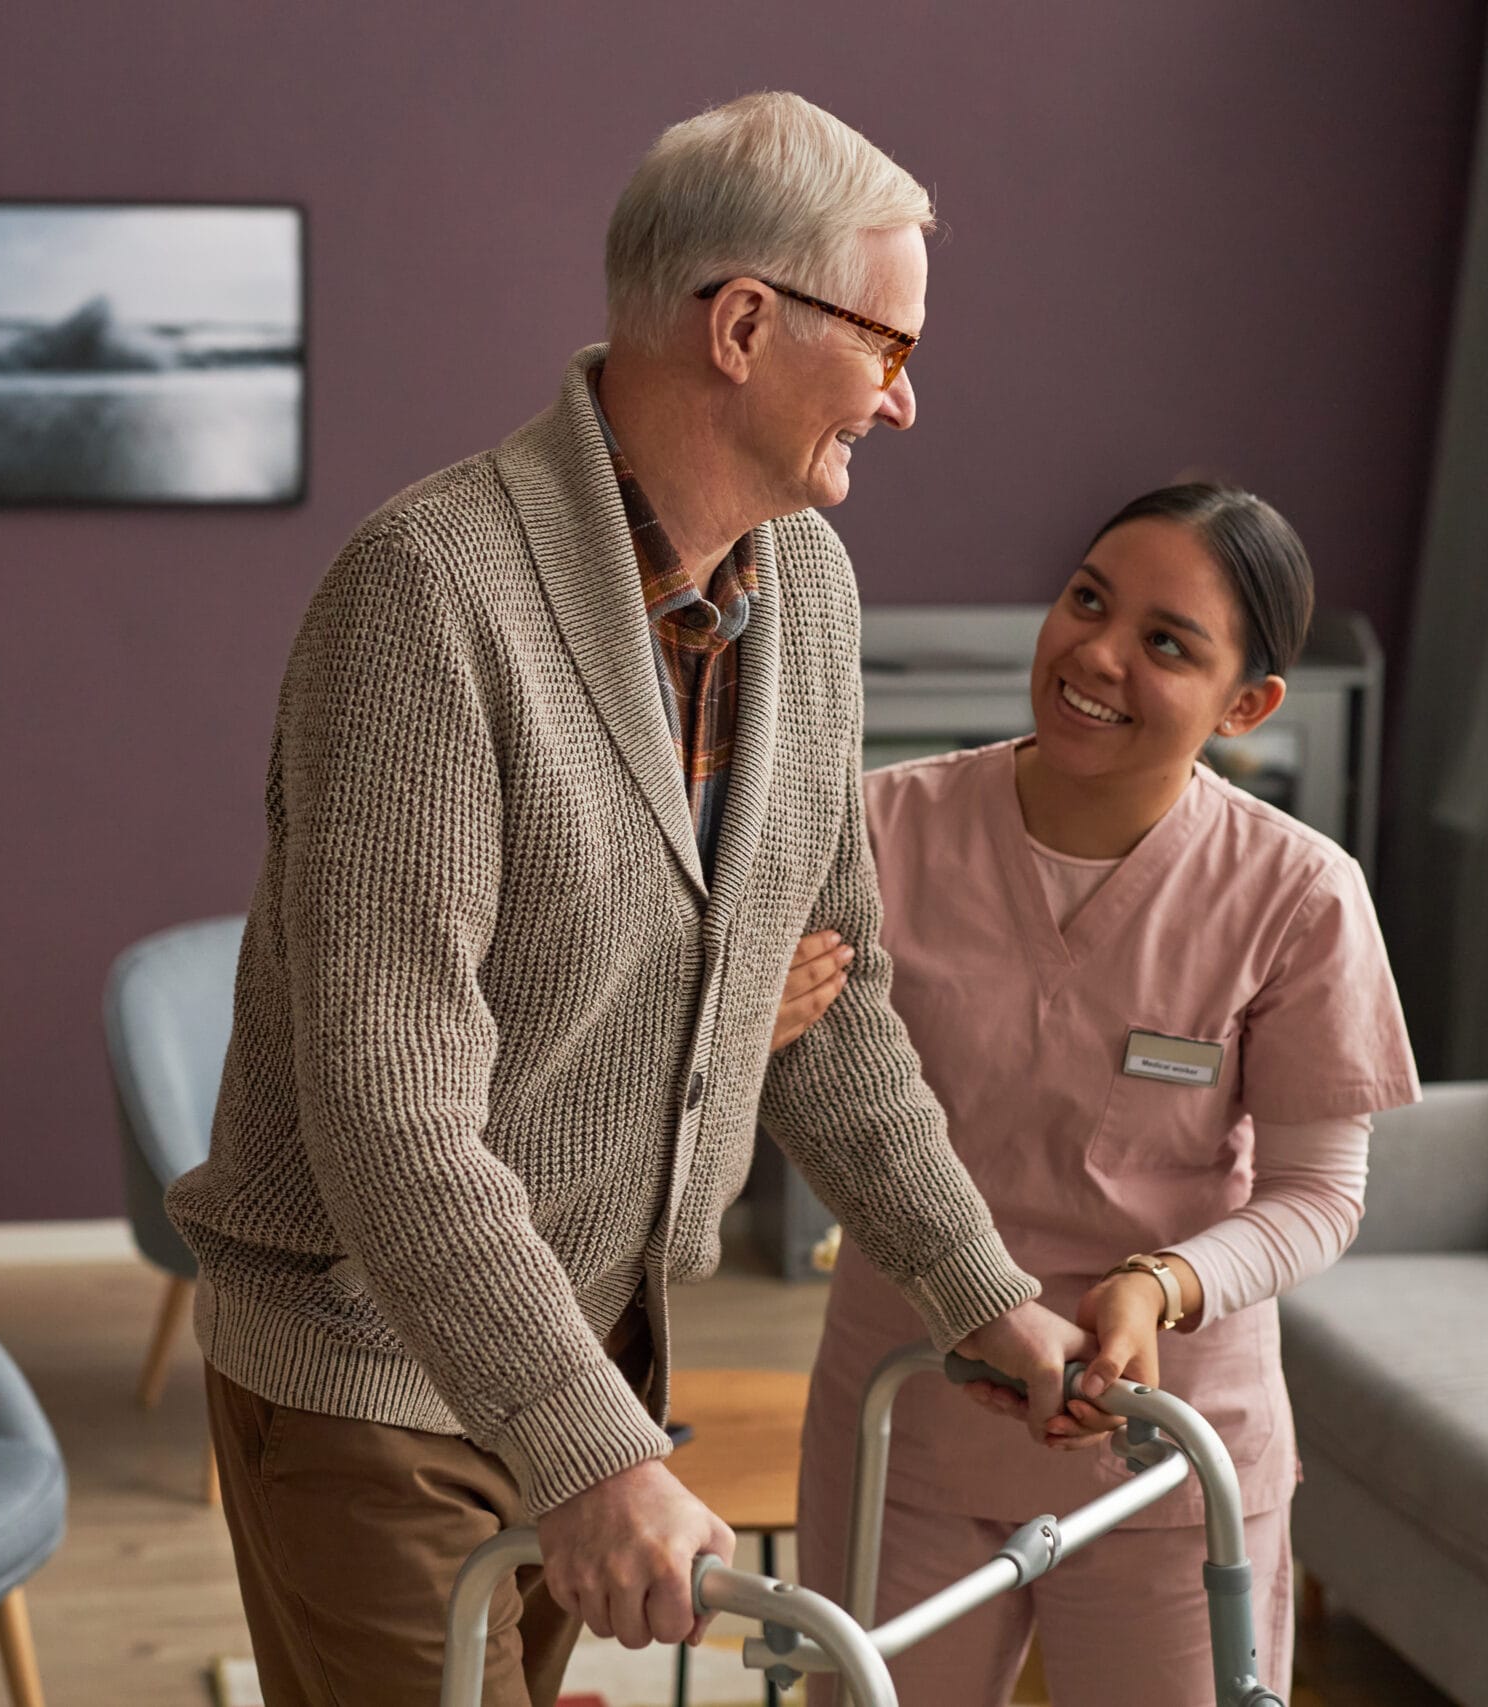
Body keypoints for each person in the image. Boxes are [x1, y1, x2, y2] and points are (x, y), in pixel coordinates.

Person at [165, 92, 1090, 1707]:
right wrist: (594, 1451)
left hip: (579, 1356)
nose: (906, 397)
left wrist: (982, 1290)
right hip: (374, 1371)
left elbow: (832, 997)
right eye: (886, 344)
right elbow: (388, 1109)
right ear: (743, 323)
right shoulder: (433, 596)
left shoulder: (805, 586)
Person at [778, 484, 1420, 1706]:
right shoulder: (881, 832)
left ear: (1248, 706)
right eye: (1087, 601)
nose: (1097, 654)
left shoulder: (1296, 896)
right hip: (907, 1420)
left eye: (1166, 643)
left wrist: (1160, 1283)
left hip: (1166, 1454)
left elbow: (1317, 1195)